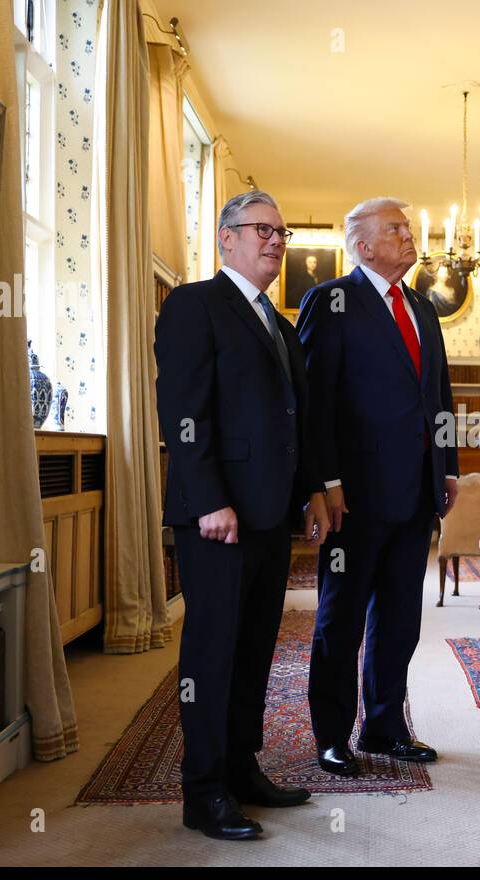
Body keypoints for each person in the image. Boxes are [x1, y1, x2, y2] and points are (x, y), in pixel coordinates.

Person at [155, 190, 330, 840]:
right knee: (213, 651)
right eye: (263, 229)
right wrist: (206, 499)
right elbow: (181, 408)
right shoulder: (194, 305)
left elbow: (297, 421)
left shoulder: (280, 327)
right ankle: (202, 790)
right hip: (216, 517)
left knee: (256, 646)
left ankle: (240, 765)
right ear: (226, 238)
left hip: (269, 515)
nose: (276, 241)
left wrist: (312, 489)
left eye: (282, 233)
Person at [297, 197, 459, 776]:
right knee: (340, 621)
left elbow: (438, 394)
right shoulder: (330, 300)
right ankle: (332, 736)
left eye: (408, 227)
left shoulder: (423, 307)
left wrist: (449, 466)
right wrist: (324, 482)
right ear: (363, 245)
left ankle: (385, 727)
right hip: (354, 496)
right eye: (396, 228)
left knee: (399, 618)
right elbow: (313, 402)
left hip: (417, 493)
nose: (409, 235)